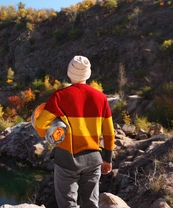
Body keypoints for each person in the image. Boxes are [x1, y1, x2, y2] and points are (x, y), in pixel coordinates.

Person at [33, 55, 115, 208]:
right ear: (88, 74)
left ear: (70, 73)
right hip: (93, 160)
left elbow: (40, 124)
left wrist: (51, 137)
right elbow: (109, 133)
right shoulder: (101, 98)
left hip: (66, 160)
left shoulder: (59, 97)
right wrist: (108, 159)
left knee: (67, 204)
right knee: (91, 203)